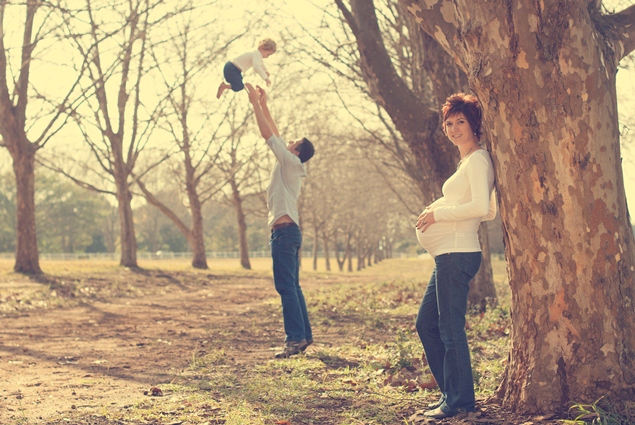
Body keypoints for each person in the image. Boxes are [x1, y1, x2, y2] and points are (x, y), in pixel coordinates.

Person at [414, 93, 496, 419]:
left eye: (460, 121)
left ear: (474, 124)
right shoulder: (467, 162)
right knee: (426, 324)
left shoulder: (478, 159)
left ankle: (460, 401)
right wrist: (440, 210)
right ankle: (452, 394)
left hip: (457, 252)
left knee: (449, 329)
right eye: (449, 123)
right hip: (447, 253)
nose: (453, 128)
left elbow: (481, 208)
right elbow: (486, 210)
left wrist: (439, 214)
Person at [245, 83, 316, 359]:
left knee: (285, 286)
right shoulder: (292, 163)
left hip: (284, 233)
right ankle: (304, 335)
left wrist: (253, 103)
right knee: (292, 286)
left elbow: (267, 134)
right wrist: (263, 103)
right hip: (288, 232)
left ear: (295, 151)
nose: (287, 142)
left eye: (292, 143)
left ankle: (295, 338)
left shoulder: (289, 162)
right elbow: (275, 132)